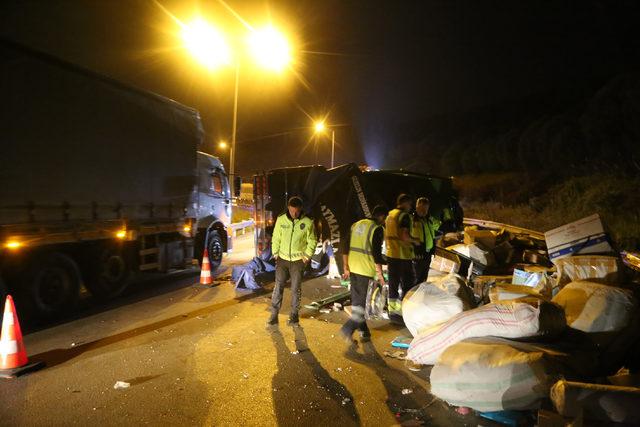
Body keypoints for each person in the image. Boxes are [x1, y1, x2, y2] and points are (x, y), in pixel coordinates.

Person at [267, 196, 317, 327]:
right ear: (288, 208)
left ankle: (294, 316)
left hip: (297, 262)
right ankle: (274, 315)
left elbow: (312, 240)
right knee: (278, 287)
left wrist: (306, 256)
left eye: (297, 211)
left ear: (301, 209)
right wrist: (275, 253)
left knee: (295, 289)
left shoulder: (308, 222)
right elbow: (276, 237)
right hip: (282, 260)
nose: (294, 214)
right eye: (292, 211)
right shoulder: (281, 219)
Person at [340, 205, 388, 343]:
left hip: (353, 267)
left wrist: (345, 266)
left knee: (357, 302)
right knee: (362, 305)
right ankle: (347, 329)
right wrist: (380, 276)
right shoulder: (377, 229)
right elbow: (376, 254)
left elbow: (345, 245)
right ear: (382, 217)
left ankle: (363, 331)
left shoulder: (356, 225)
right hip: (365, 270)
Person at [385, 194, 420, 321]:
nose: (410, 207)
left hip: (391, 254)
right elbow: (404, 236)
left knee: (393, 283)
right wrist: (415, 241)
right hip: (402, 255)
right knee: (408, 283)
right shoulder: (404, 216)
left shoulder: (390, 215)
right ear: (405, 203)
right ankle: (406, 310)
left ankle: (393, 312)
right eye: (410, 204)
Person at [412, 197, 442, 284]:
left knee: (424, 277)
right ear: (417, 207)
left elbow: (438, 226)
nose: (424, 211)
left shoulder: (428, 219)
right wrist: (415, 252)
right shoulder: (413, 220)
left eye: (426, 209)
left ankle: (421, 294)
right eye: (422, 208)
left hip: (427, 253)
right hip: (418, 254)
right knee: (416, 278)